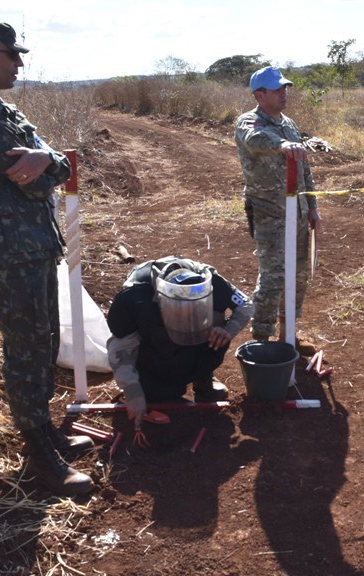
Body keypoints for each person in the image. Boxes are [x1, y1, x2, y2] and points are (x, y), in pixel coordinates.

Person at [0, 21, 92, 495]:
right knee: (25, 350)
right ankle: (38, 454)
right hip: (8, 251)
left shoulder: (0, 109)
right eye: (11, 54)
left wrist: (46, 157)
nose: (19, 63)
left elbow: (60, 164)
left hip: (33, 244)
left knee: (44, 343)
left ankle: (45, 431)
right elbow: (31, 174)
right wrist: (46, 161)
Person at [106, 257, 254, 428]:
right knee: (162, 394)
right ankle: (153, 385)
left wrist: (228, 330)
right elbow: (120, 347)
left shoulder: (210, 280)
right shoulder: (135, 297)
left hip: (199, 343)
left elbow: (245, 305)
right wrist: (132, 389)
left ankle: (203, 378)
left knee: (217, 329)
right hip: (157, 349)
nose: (187, 319)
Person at [234, 66, 321, 357]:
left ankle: (289, 335)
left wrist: (313, 209)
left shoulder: (290, 123)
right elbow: (254, 140)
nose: (284, 94)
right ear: (260, 94)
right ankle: (262, 338)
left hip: (298, 211)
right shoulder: (249, 122)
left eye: (285, 88)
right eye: (277, 90)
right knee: (273, 275)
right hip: (269, 212)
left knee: (298, 274)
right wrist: (282, 145)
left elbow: (305, 170)